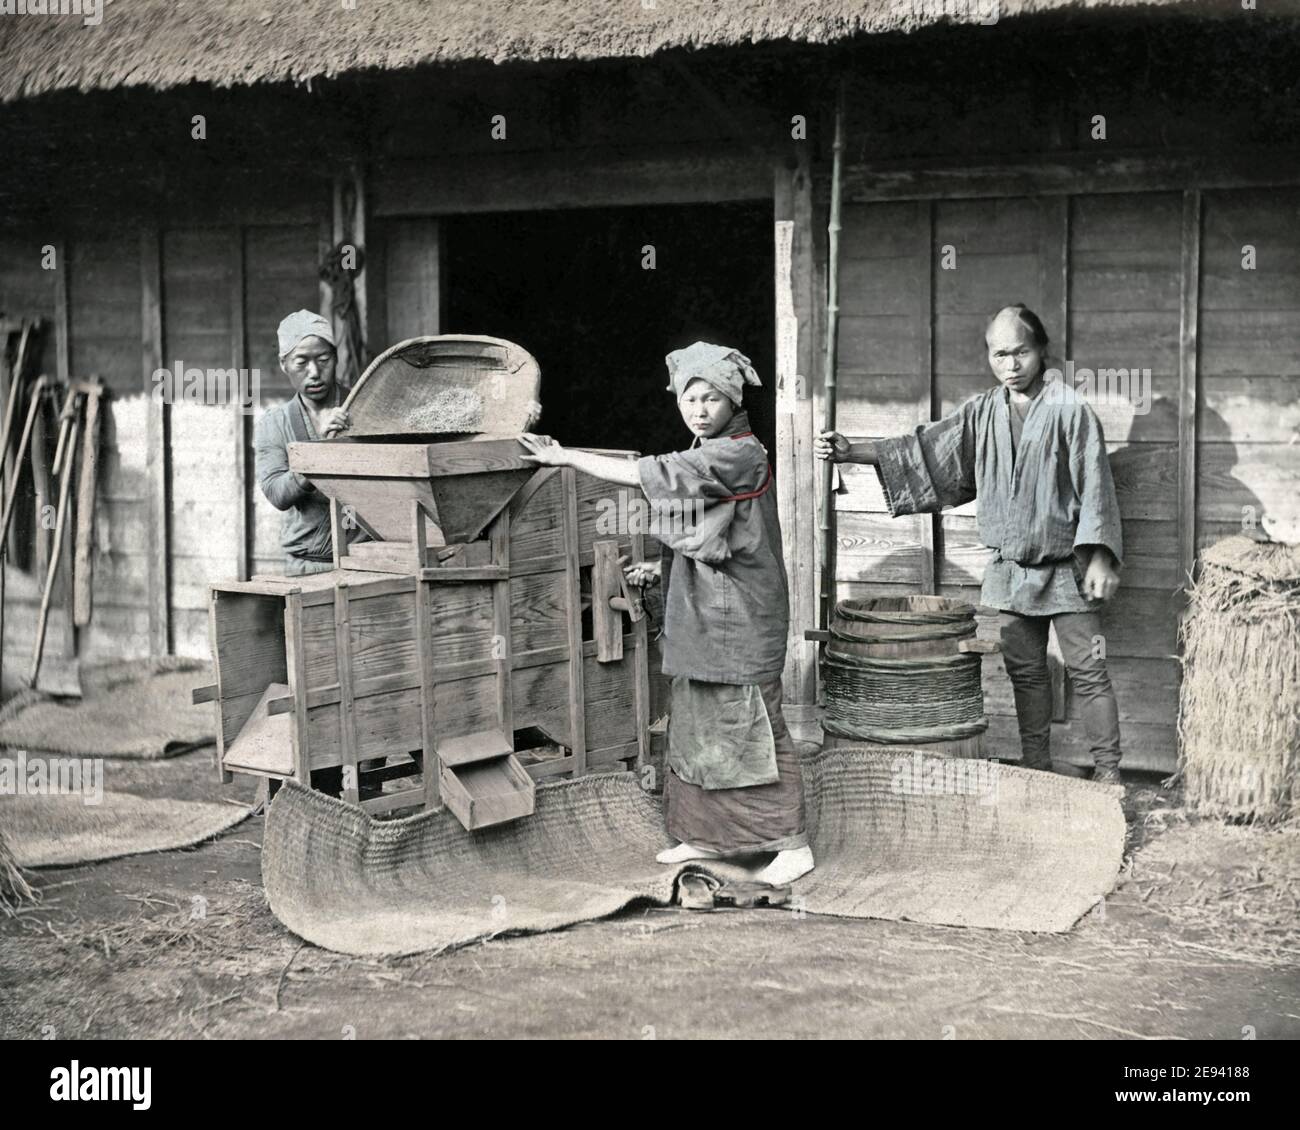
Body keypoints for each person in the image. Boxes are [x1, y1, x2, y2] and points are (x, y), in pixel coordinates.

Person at [519, 342, 815, 885]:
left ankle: (791, 843)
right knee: (699, 720)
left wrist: (563, 456)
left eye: (710, 398)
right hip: (705, 608)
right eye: (688, 398)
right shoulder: (707, 448)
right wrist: (659, 570)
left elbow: (646, 476)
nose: (698, 409)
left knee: (753, 725)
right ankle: (702, 834)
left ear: (732, 400)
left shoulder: (741, 452)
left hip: (743, 612)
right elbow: (710, 529)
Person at [815, 304, 1125, 785]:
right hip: (1009, 571)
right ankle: (1037, 766)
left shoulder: (1071, 411)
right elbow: (926, 448)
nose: (1011, 365)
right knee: (1026, 674)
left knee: (1088, 672)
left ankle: (1108, 773)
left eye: (1021, 352)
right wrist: (851, 451)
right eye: (999, 354)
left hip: (1068, 566)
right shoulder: (982, 412)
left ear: (1042, 350)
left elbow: (1096, 484)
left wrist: (1101, 557)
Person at [254, 310, 365, 576]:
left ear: (336, 357)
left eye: (323, 359)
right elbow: (277, 493)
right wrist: (317, 451)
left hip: (366, 563)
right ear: (284, 364)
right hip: (307, 566)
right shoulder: (275, 423)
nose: (314, 372)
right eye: (301, 362)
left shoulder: (364, 409)